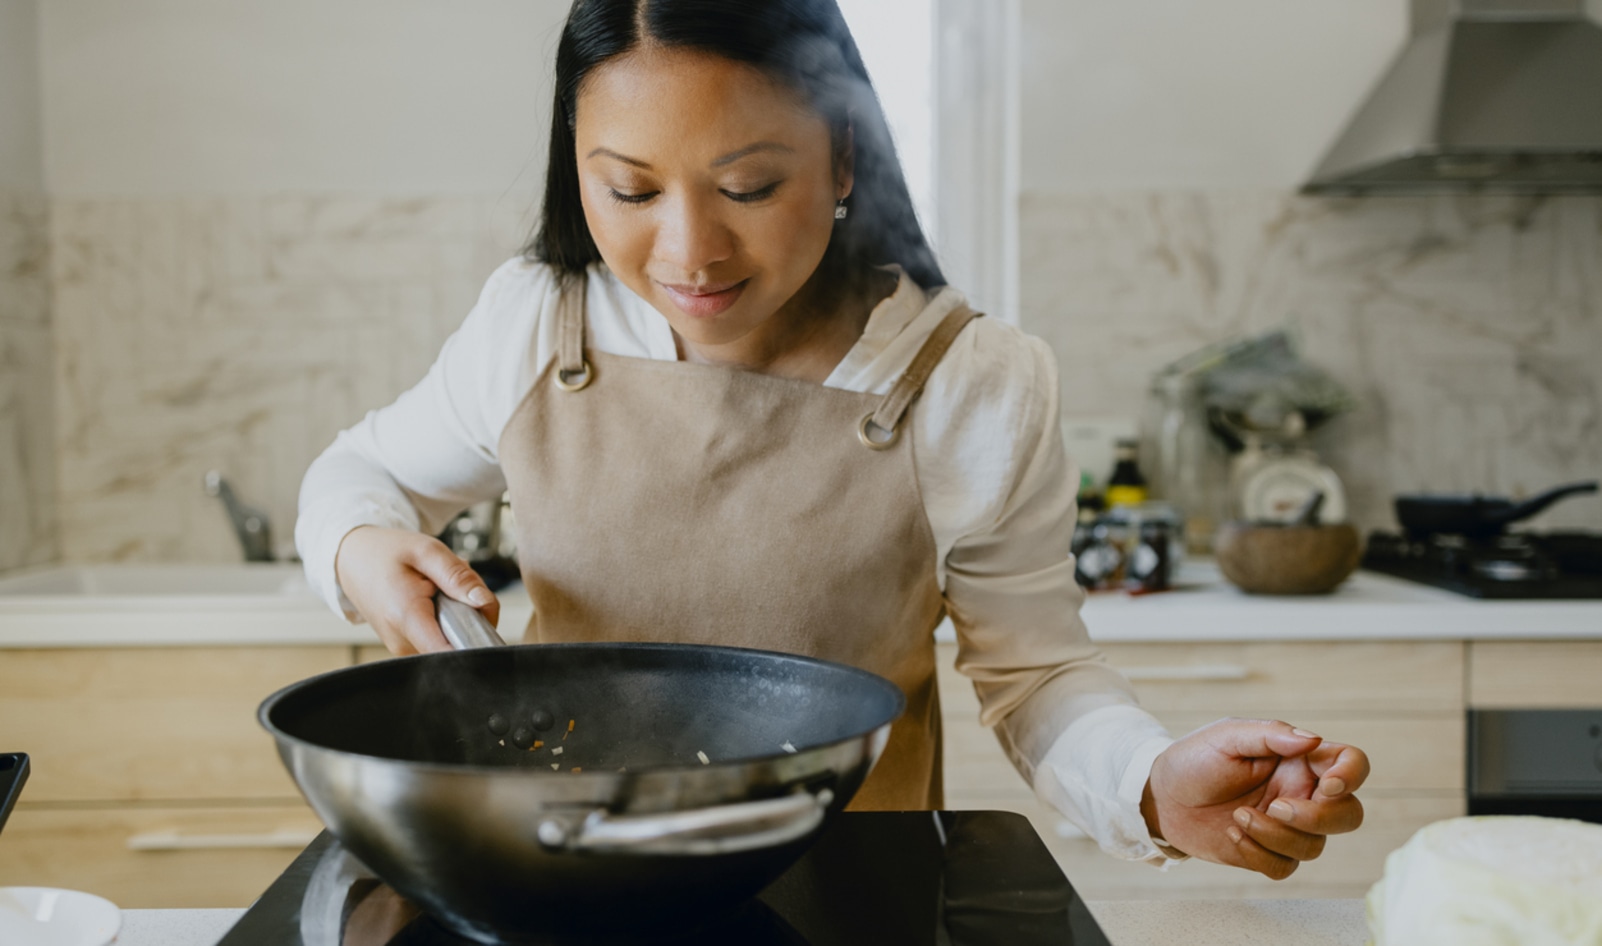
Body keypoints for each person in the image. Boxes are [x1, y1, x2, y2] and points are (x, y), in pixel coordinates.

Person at [297, 0, 1368, 879]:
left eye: (749, 186)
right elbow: (365, 473)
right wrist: (361, 549)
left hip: (851, 893)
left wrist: (1151, 784)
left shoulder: (973, 382)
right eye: (627, 188)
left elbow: (1037, 674)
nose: (689, 250)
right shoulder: (535, 322)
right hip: (560, 877)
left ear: (845, 155)